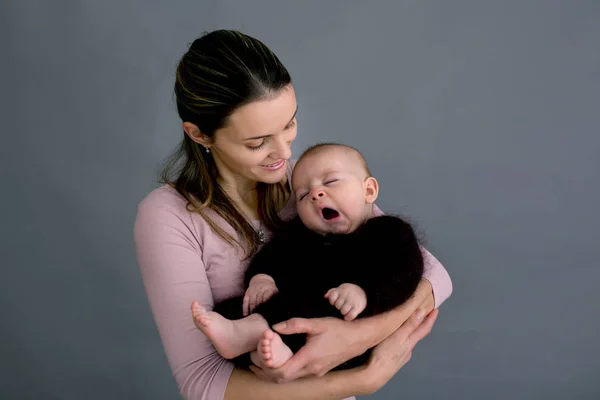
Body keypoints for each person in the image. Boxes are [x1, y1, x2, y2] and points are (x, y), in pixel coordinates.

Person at [134, 29, 452, 400]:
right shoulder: (168, 216)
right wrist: (363, 380)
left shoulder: (309, 179)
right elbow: (203, 383)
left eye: (289, 125)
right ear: (200, 135)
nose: (283, 153)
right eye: (257, 143)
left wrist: (354, 338)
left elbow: (434, 277)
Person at [191, 142, 426, 372]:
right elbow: (272, 256)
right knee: (234, 308)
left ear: (369, 190)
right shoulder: (300, 234)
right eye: (303, 196)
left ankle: (247, 337)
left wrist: (365, 293)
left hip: (342, 331)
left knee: (308, 298)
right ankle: (267, 355)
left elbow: (404, 273)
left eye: (331, 181)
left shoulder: (389, 232)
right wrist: (262, 279)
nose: (315, 194)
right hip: (287, 318)